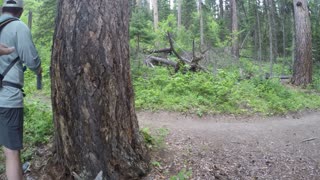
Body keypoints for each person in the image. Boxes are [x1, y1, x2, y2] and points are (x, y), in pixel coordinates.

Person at [0, 0, 41, 179]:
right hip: (8, 98)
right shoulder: (19, 27)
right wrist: (39, 69)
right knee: (11, 152)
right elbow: (31, 60)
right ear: (21, 11)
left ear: (3, 9)